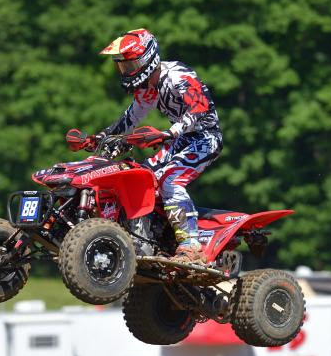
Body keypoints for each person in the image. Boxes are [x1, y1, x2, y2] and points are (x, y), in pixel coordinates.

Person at [69, 28, 222, 264]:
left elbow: (199, 110)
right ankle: (151, 238)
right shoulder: (147, 90)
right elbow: (130, 119)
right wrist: (99, 139)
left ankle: (191, 244)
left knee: (171, 179)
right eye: (122, 67)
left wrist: (167, 133)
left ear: (148, 59)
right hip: (179, 139)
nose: (126, 71)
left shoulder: (178, 75)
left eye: (130, 66)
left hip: (205, 138)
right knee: (140, 177)